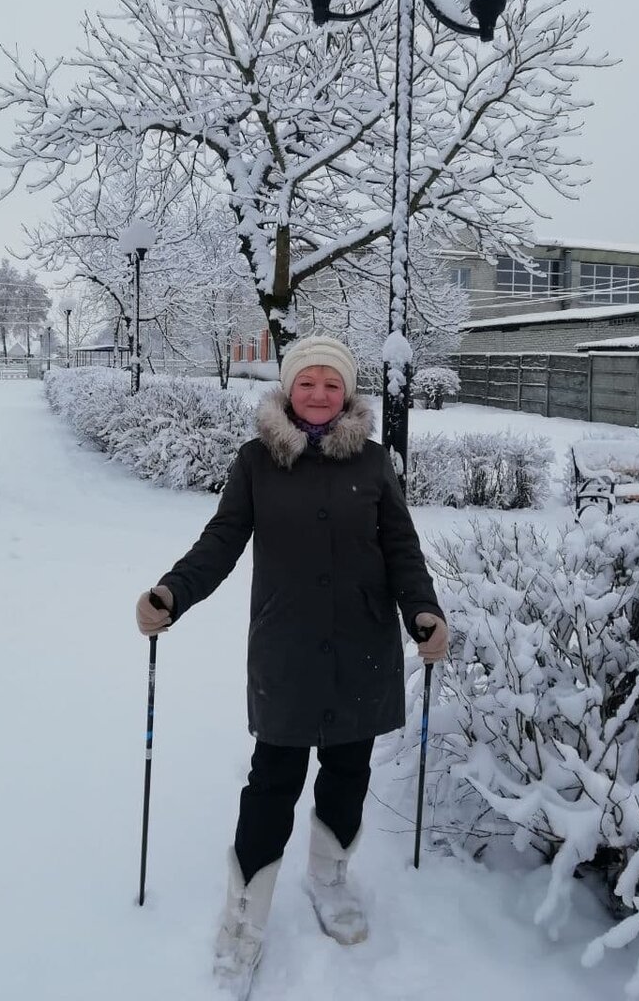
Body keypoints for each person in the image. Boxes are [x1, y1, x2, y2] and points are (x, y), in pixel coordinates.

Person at [136, 335, 448, 999]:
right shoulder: (257, 461)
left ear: (348, 392)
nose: (319, 394)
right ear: (287, 388)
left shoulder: (374, 462)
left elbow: (402, 548)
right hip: (286, 646)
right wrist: (172, 593)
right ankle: (243, 917)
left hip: (362, 644)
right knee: (273, 781)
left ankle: (329, 877)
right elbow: (222, 540)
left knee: (349, 769)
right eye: (307, 382)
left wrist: (423, 612)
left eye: (332, 384)